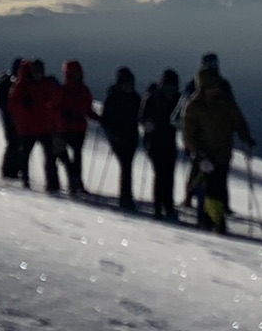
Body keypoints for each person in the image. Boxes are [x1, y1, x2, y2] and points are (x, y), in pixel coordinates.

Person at [181, 66, 251, 234]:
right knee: (209, 190)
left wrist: (245, 136)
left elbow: (238, 122)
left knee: (217, 189)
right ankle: (212, 221)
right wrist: (197, 154)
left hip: (222, 154)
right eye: (212, 86)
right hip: (204, 156)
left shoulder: (226, 104)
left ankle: (214, 220)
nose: (215, 89)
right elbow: (188, 134)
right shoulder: (194, 106)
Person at [10, 59, 64, 191]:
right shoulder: (23, 85)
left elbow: (54, 102)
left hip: (44, 127)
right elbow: (12, 105)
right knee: (27, 155)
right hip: (29, 128)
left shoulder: (43, 84)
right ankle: (26, 180)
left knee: (49, 157)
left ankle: (52, 184)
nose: (39, 74)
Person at [141, 69, 182, 220]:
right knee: (161, 174)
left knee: (168, 174)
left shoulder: (158, 97)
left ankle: (167, 206)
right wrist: (148, 124)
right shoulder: (154, 97)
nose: (170, 89)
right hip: (155, 141)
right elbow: (143, 117)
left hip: (168, 141)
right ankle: (160, 207)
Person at [101, 67, 143, 212]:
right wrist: (112, 134)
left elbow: (140, 116)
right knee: (126, 166)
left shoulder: (132, 97)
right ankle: (126, 197)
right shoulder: (115, 98)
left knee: (127, 166)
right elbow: (105, 120)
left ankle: (126, 197)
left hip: (130, 138)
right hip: (118, 138)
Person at [57, 61, 96, 196]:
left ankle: (75, 183)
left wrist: (97, 117)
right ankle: (75, 183)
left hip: (76, 129)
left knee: (75, 158)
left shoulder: (78, 90)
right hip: (68, 128)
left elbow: (88, 109)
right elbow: (55, 109)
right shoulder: (72, 91)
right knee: (70, 157)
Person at [0, 60, 24, 179]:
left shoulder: (7, 81)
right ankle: (9, 170)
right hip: (11, 117)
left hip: (11, 117)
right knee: (14, 143)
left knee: (14, 143)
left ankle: (11, 169)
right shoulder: (10, 82)